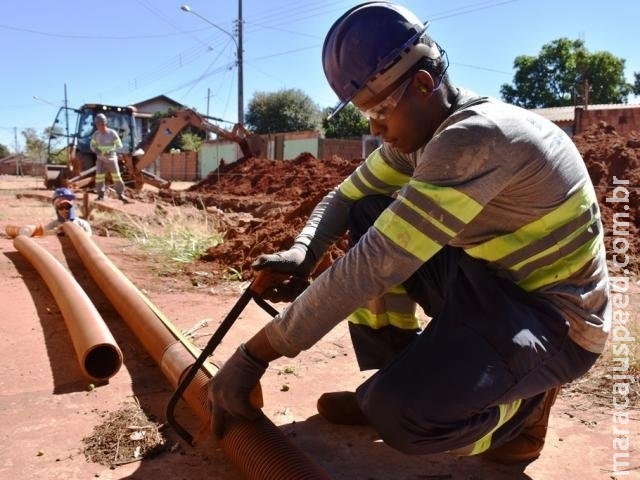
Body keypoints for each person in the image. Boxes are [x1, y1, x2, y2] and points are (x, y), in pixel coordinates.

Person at [208, 1, 610, 465]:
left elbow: (375, 265)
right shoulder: (424, 134)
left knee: (405, 418)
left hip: (552, 319)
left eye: (380, 110)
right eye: (365, 115)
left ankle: (518, 416)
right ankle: (393, 374)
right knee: (367, 210)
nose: (376, 129)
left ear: (423, 84)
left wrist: (254, 355)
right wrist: (306, 248)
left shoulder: (477, 137)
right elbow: (344, 196)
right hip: (491, 285)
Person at [5, 187, 92, 237]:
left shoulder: (83, 224)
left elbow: (89, 237)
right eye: (61, 207)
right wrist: (53, 232)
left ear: (72, 206)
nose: (65, 210)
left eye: (67, 206)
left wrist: (77, 232)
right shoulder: (53, 225)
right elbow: (40, 233)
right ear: (56, 209)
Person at [90, 113, 131, 203]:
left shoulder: (112, 133)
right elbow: (92, 145)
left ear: (104, 124)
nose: (98, 126)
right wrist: (96, 150)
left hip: (111, 159)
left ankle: (120, 194)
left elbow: (119, 145)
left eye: (99, 124)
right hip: (100, 159)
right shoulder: (96, 134)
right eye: (96, 124)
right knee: (99, 177)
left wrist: (111, 150)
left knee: (116, 176)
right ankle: (100, 195)